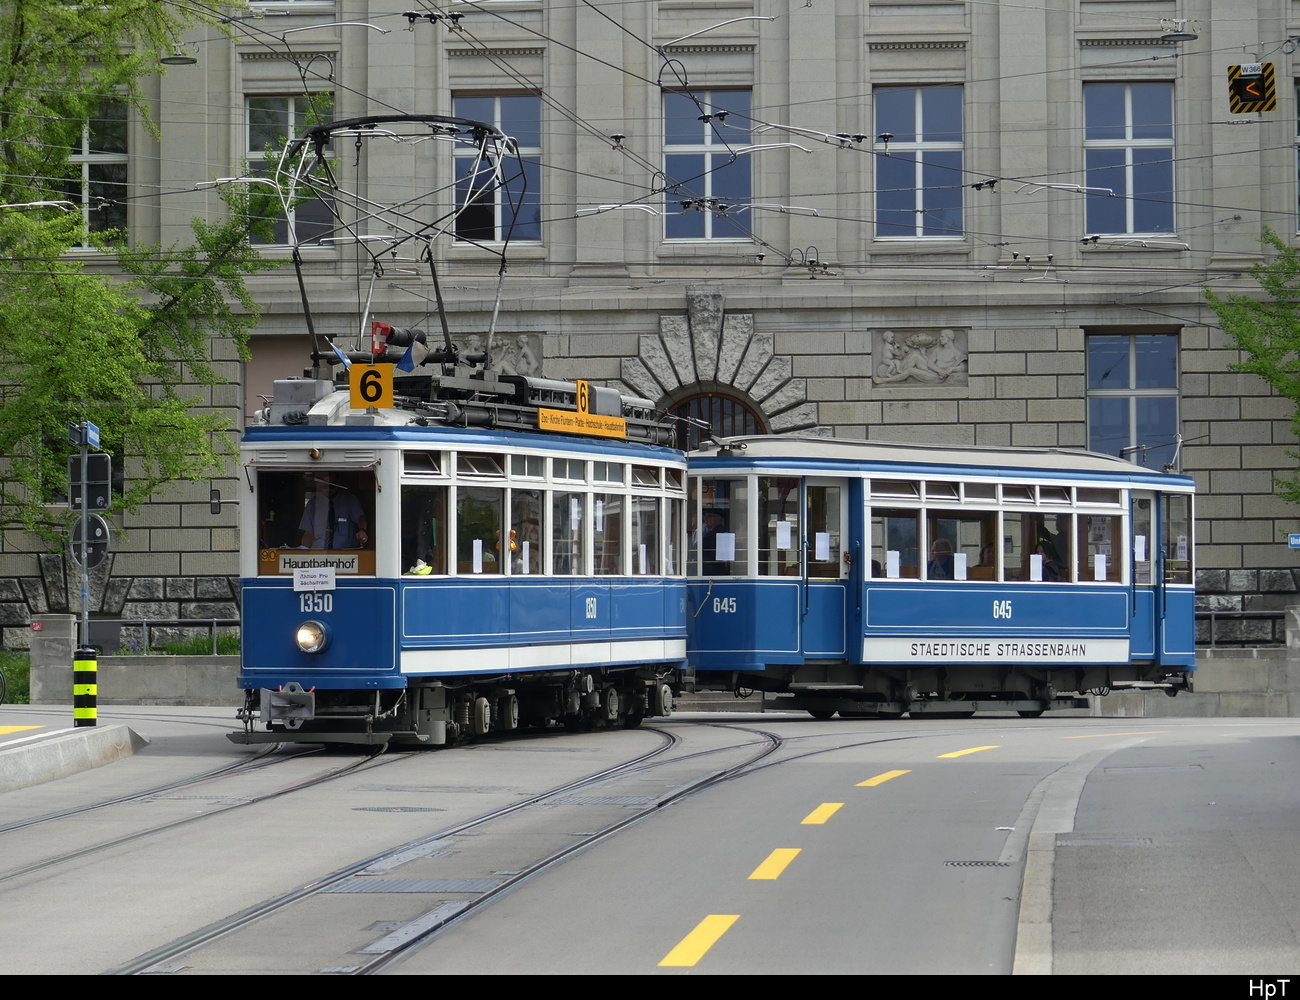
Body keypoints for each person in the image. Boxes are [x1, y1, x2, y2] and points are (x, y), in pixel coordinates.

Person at [300, 477, 369, 549]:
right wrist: (304, 552)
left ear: (338, 484)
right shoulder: (313, 503)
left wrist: (362, 530)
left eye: (332, 486)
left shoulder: (350, 500)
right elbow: (308, 534)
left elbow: (360, 518)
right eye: (324, 486)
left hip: (346, 555)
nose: (328, 489)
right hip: (319, 555)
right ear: (320, 485)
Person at [701, 507, 729, 574]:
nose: (705, 519)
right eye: (705, 516)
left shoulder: (717, 533)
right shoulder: (709, 532)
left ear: (719, 518)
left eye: (709, 516)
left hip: (712, 569)